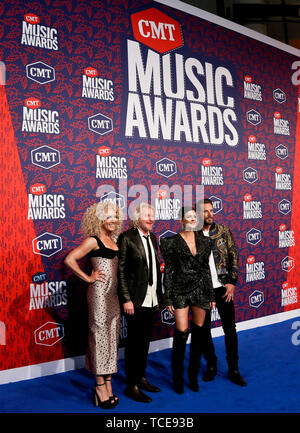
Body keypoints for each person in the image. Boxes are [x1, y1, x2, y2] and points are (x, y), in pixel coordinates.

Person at [64, 201, 123, 409]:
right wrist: (88, 278)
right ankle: (99, 386)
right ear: (99, 219)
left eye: (115, 216)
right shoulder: (93, 240)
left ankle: (108, 382)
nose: (113, 220)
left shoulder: (113, 239)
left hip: (114, 296)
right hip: (99, 295)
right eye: (108, 217)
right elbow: (70, 259)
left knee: (112, 337)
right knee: (99, 337)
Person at [160, 207, 215, 394]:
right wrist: (168, 297)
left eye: (195, 217)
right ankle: (177, 376)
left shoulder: (206, 242)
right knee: (182, 332)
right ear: (181, 220)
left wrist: (211, 295)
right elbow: (168, 270)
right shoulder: (170, 242)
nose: (192, 219)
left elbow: (206, 269)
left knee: (199, 333)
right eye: (188, 217)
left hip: (200, 290)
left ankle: (192, 374)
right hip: (180, 291)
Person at [196, 198, 247, 386]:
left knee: (230, 329)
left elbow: (234, 255)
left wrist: (232, 282)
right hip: (203, 290)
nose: (210, 214)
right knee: (203, 330)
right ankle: (211, 365)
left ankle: (234, 368)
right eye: (205, 211)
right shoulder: (192, 235)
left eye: (211, 210)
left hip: (224, 288)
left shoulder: (223, 231)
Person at [118, 202, 162, 403]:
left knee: (145, 342)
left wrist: (158, 296)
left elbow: (150, 268)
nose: (151, 219)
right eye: (147, 215)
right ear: (137, 218)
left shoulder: (152, 237)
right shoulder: (126, 238)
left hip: (151, 298)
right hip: (134, 300)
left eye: (153, 215)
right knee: (135, 343)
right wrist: (126, 299)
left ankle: (141, 377)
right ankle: (131, 385)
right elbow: (121, 271)